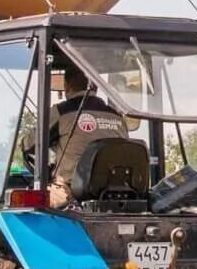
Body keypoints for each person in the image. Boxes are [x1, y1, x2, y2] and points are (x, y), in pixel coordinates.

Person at [38, 66, 135, 206]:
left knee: (37, 201)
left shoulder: (61, 112)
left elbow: (31, 145)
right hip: (113, 193)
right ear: (95, 86)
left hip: (70, 193)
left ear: (66, 85)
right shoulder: (117, 117)